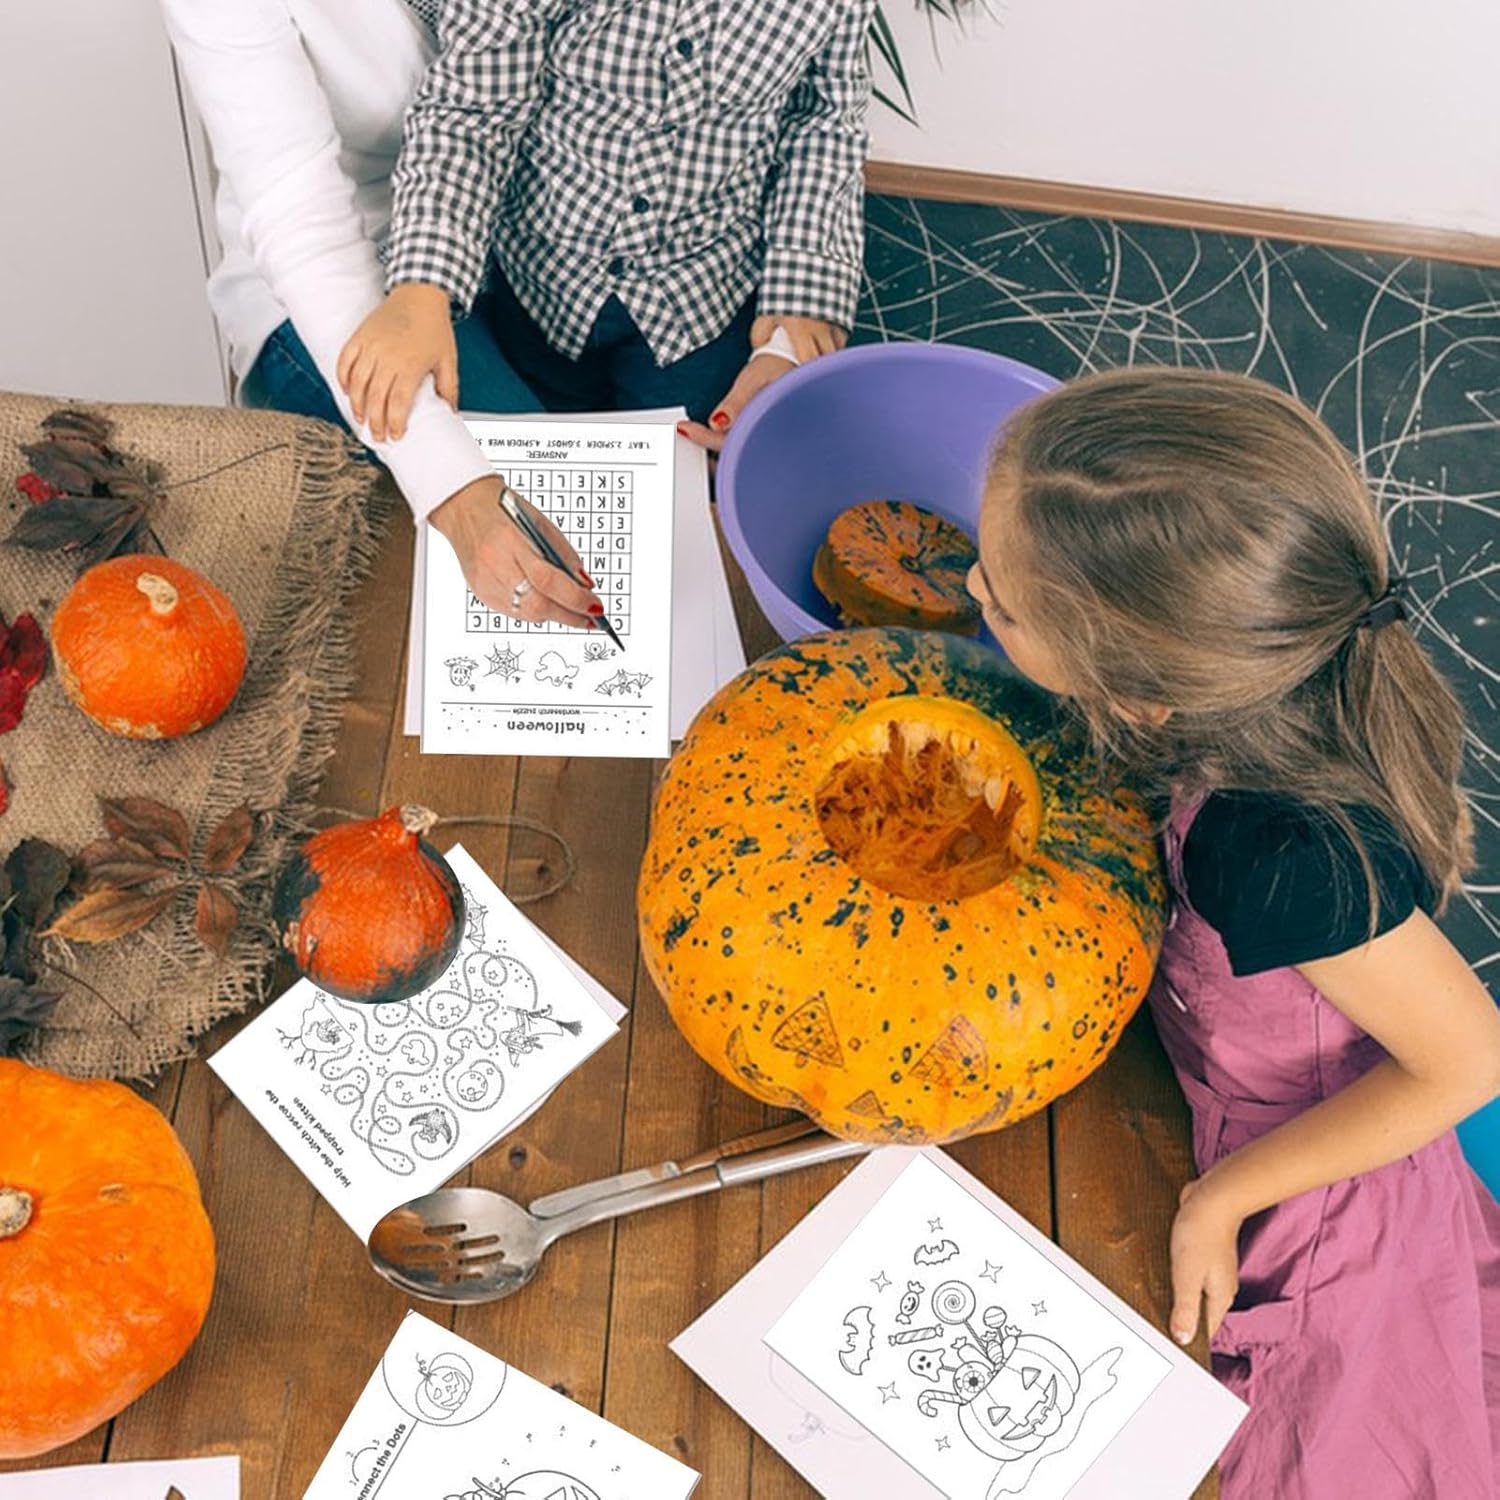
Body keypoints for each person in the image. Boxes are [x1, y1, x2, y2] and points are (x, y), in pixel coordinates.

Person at [967, 367, 1500, 1497]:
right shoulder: (1246, 692)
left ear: (1140, 696)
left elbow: (1470, 1059)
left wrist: (1225, 1197)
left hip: (1317, 1186)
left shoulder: (1271, 854)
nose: (972, 588)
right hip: (1220, 1076)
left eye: (1002, 605)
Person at [160, 0, 600, 629]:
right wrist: (454, 487)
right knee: (547, 531)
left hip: (527, 231)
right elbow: (299, 217)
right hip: (348, 270)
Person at [335, 0, 874, 454]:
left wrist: (801, 301)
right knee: (541, 471)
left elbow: (824, 121)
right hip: (543, 279)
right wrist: (423, 285)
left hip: (700, 295)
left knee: (688, 481)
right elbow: (474, 110)